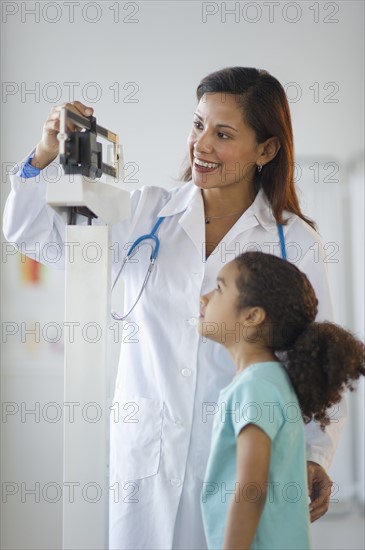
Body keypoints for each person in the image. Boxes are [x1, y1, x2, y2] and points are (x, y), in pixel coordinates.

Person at [3, 67, 346, 549]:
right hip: (148, 456)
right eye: (198, 124)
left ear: (266, 150)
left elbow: (318, 364)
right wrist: (42, 156)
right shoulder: (145, 213)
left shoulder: (295, 243)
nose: (201, 145)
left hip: (243, 458)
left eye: (223, 134)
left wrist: (315, 454)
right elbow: (35, 236)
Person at [198, 251, 364, 550]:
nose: (205, 298)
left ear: (252, 316)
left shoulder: (256, 387)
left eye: (219, 288)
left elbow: (251, 487)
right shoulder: (268, 381)